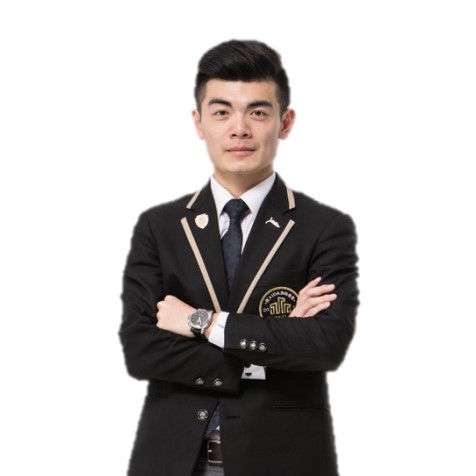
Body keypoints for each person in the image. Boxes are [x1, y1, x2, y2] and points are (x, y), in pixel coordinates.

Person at [120, 39, 359, 476]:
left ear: (285, 122)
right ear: (199, 122)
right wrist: (272, 346)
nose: (239, 129)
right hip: (174, 462)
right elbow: (141, 350)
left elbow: (325, 346)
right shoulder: (159, 227)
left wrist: (202, 323)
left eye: (258, 112)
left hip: (282, 463)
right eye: (222, 112)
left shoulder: (324, 228)